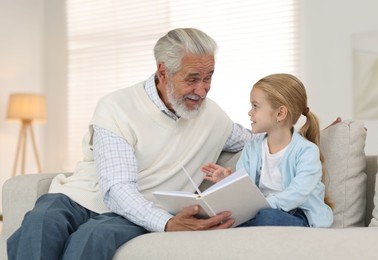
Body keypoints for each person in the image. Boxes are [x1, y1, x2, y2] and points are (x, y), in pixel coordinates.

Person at [7, 28, 253, 260]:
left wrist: (288, 129)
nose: (201, 90)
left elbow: (259, 139)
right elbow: (117, 189)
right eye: (192, 79)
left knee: (92, 237)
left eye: (208, 77)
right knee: (40, 223)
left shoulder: (214, 117)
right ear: (163, 71)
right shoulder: (117, 107)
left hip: (142, 206)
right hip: (82, 195)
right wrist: (166, 223)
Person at [201, 73, 334, 228]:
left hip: (297, 213)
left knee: (268, 217)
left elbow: (297, 194)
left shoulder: (307, 151)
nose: (250, 112)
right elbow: (247, 192)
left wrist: (262, 205)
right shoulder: (252, 147)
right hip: (258, 210)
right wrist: (228, 181)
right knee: (226, 216)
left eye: (255, 106)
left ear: (280, 113)